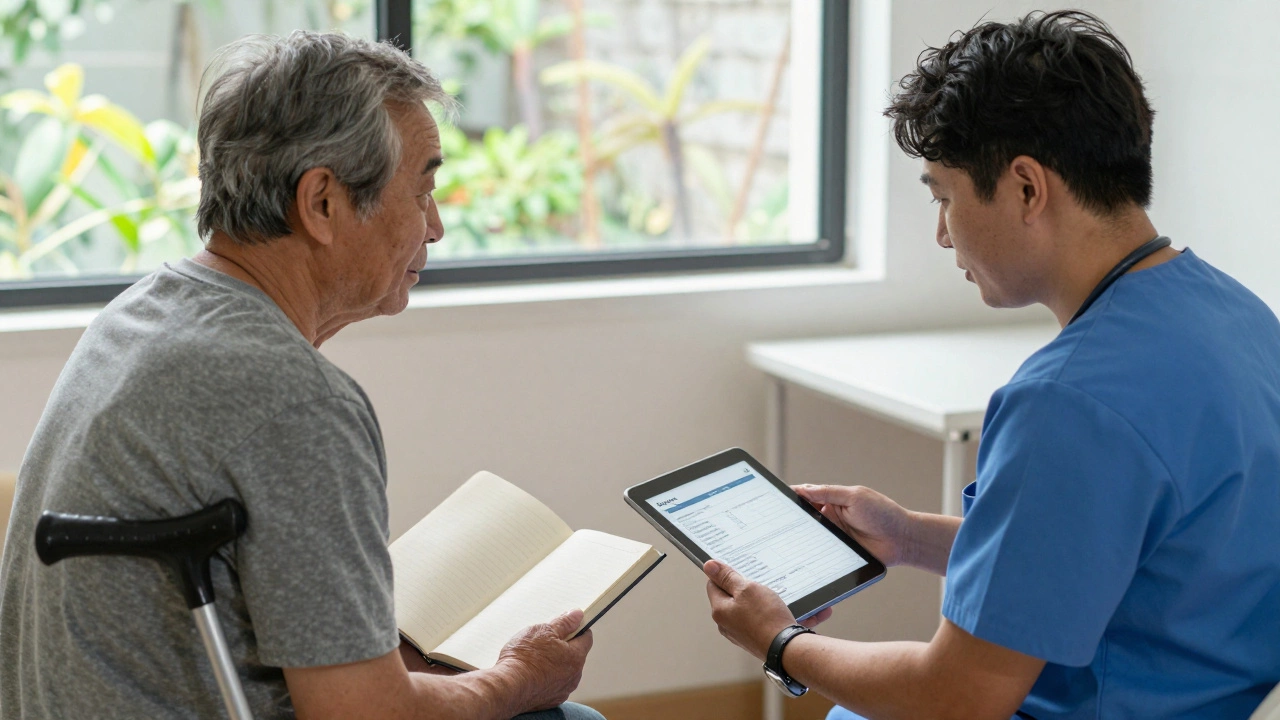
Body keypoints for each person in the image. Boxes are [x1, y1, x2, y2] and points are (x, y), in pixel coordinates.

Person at [0, 32, 602, 720]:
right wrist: (515, 677)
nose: (433, 227)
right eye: (421, 189)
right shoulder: (292, 399)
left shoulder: (138, 315)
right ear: (321, 203)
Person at [701, 10, 1280, 719]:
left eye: (944, 196)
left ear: (1027, 188)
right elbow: (1115, 562)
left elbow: (956, 696)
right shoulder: (1240, 318)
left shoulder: (1066, 403)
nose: (942, 234)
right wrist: (908, 535)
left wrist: (777, 641)